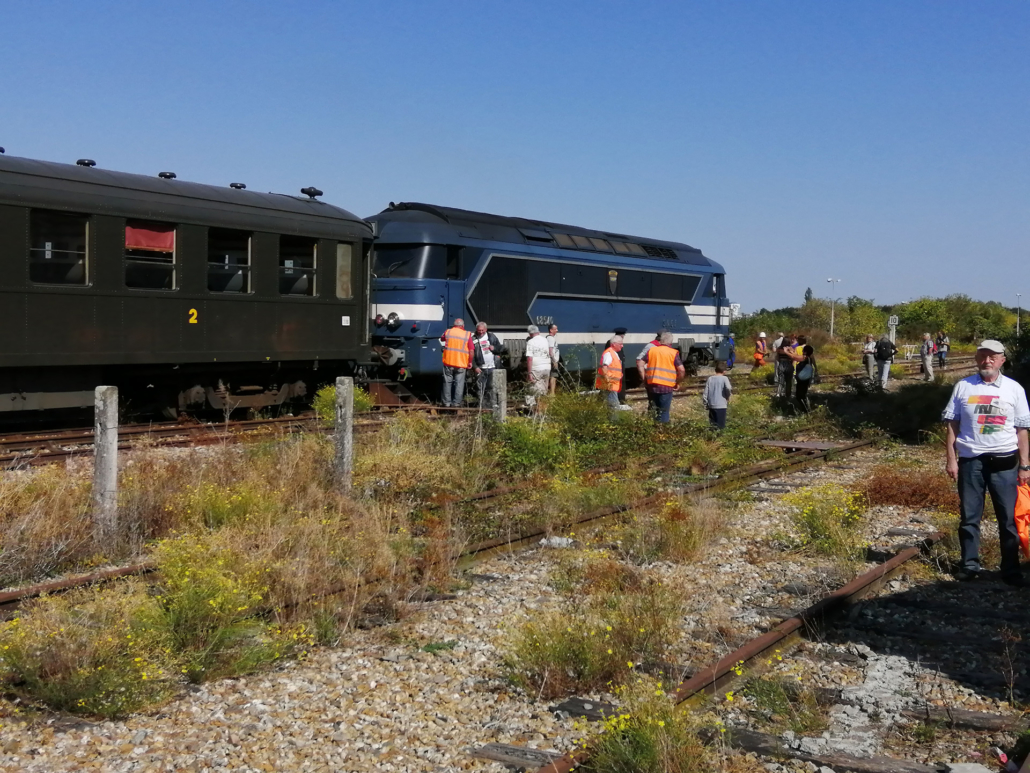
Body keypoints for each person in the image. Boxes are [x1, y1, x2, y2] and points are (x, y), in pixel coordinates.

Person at [942, 340, 1030, 587]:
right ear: (976, 359)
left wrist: (1025, 466)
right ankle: (970, 565)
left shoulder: (1014, 389)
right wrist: (951, 459)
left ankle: (1011, 570)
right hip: (971, 462)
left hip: (1005, 462)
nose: (987, 361)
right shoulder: (963, 386)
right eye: (982, 356)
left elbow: (1022, 430)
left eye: (992, 357)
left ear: (1002, 360)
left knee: (1008, 519)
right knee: (969, 517)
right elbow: (952, 424)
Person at [636, 331, 686, 423]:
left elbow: (640, 364)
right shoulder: (673, 353)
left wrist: (644, 379)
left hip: (652, 385)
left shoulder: (652, 351)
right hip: (666, 387)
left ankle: (651, 431)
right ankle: (661, 433)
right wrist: (677, 382)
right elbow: (682, 370)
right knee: (663, 412)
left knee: (654, 410)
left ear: (660, 341)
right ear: (670, 342)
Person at [440, 317, 473, 407]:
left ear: (454, 325)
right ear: (463, 325)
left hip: (448, 362)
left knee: (447, 383)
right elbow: (471, 350)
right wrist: (470, 362)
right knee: (459, 384)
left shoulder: (448, 332)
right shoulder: (467, 334)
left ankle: (446, 403)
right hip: (461, 363)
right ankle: (456, 403)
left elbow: (442, 338)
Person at [472, 321, 506, 409]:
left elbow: (500, 348)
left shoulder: (491, 336)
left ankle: (491, 406)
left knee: (491, 388)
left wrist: (494, 348)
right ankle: (482, 407)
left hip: (492, 367)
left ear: (486, 329)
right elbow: (470, 355)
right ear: (476, 330)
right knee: (480, 389)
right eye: (479, 330)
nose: (481, 332)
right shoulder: (473, 339)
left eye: (482, 330)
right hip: (481, 368)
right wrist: (475, 367)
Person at [524, 325, 551, 411]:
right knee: (543, 390)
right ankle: (544, 411)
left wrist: (529, 373)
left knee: (533, 390)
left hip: (536, 368)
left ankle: (535, 412)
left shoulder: (531, 342)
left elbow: (529, 358)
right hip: (547, 367)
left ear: (530, 333)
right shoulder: (545, 340)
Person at [596, 335, 625, 410]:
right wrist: (608, 380)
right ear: (614, 344)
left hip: (611, 384)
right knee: (614, 406)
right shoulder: (609, 354)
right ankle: (614, 421)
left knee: (606, 405)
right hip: (610, 385)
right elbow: (604, 367)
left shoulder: (613, 353)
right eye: (620, 344)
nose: (622, 346)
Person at [702, 362, 733, 430]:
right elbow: (728, 388)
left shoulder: (710, 379)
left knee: (713, 425)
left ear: (716, 370)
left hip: (711, 405)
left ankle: (713, 439)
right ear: (724, 371)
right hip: (721, 405)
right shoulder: (724, 378)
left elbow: (705, 393)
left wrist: (705, 403)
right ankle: (719, 439)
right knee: (720, 426)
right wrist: (727, 396)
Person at [775, 334, 802, 399]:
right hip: (788, 365)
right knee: (788, 381)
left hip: (781, 365)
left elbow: (777, 358)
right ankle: (788, 394)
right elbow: (793, 356)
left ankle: (778, 394)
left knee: (780, 380)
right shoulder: (790, 349)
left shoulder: (779, 349)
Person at [795, 343, 818, 412]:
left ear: (805, 352)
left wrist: (788, 352)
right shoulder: (809, 358)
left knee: (799, 396)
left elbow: (795, 357)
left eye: (803, 350)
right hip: (805, 380)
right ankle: (806, 409)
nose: (802, 351)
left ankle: (806, 410)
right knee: (802, 395)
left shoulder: (805, 358)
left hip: (803, 380)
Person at [546, 323, 561, 395]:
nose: (557, 330)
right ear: (551, 330)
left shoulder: (548, 338)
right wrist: (554, 361)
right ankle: (552, 393)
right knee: (553, 376)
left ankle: (551, 393)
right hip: (553, 361)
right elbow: (550, 351)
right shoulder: (551, 339)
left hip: (551, 360)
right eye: (555, 329)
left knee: (553, 376)